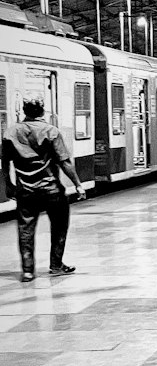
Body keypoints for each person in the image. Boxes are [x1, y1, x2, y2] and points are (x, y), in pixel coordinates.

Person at [2, 98, 86, 282]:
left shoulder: (10, 133)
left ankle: (27, 271)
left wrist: (9, 184)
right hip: (51, 190)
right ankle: (56, 265)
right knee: (59, 226)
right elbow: (64, 161)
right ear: (42, 111)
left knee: (25, 229)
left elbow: (5, 162)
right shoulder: (51, 131)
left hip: (25, 190)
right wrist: (78, 184)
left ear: (24, 110)